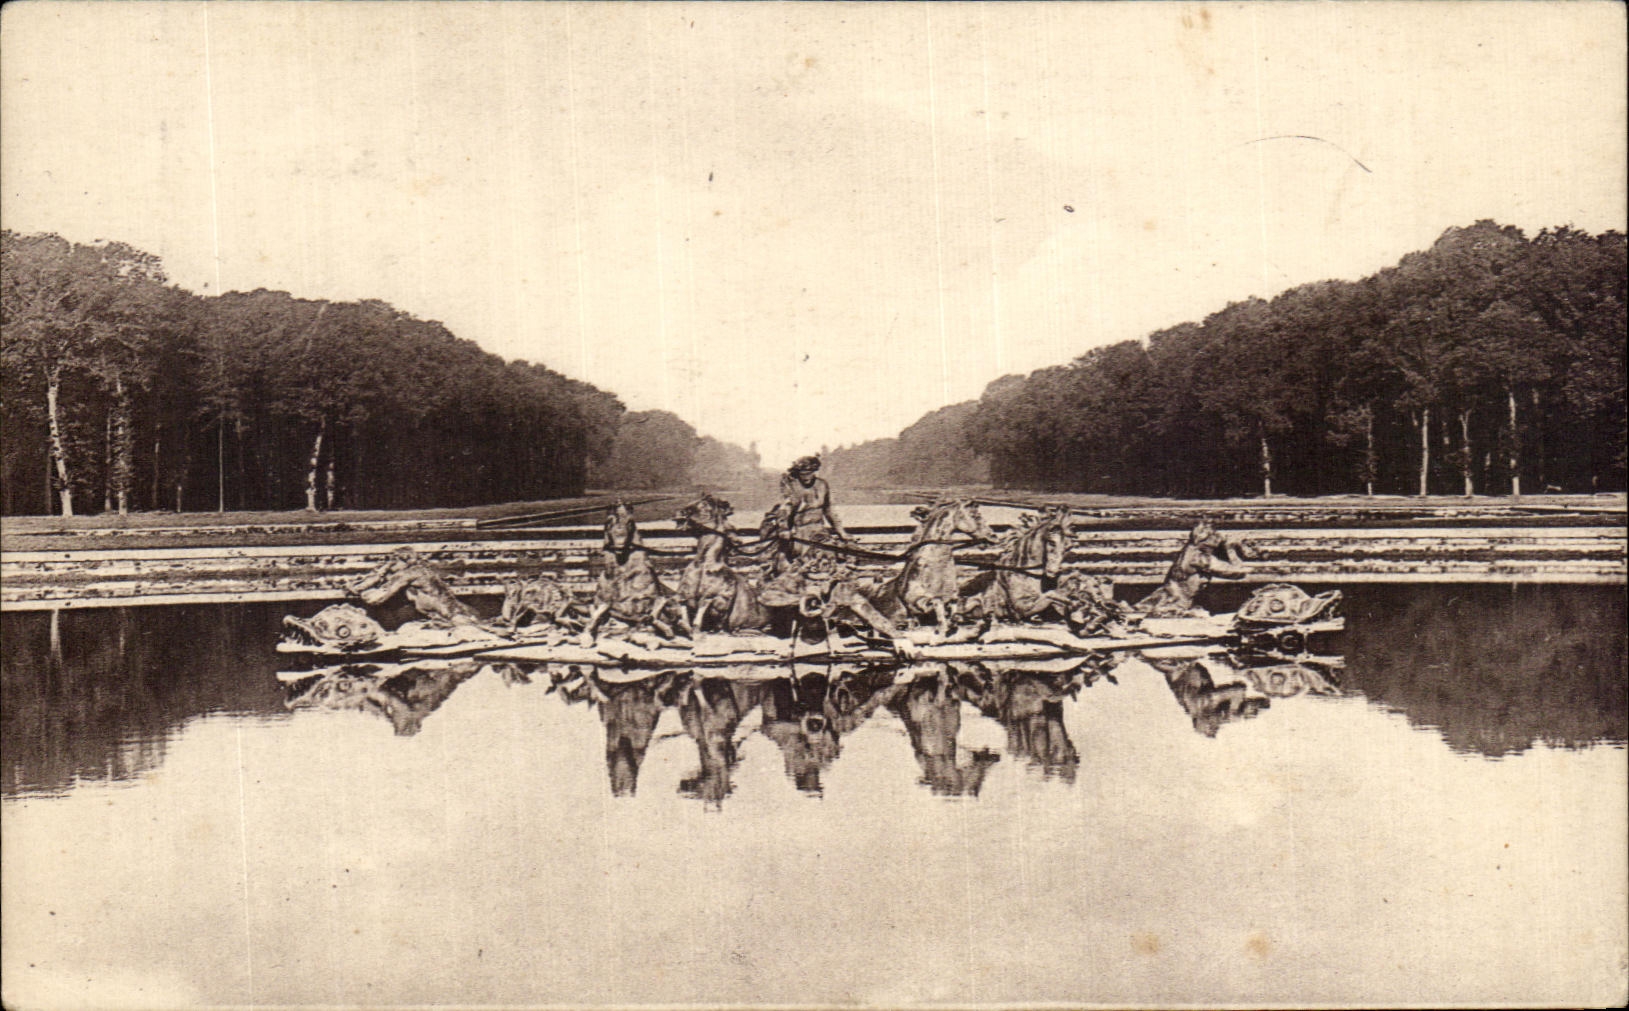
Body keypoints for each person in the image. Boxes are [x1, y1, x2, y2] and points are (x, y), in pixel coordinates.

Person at [776, 455, 849, 556]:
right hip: (800, 530)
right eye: (803, 474)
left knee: (830, 554)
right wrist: (784, 529)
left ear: (814, 471)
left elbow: (829, 511)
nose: (806, 477)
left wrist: (841, 532)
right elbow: (785, 510)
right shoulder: (792, 486)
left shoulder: (822, 485)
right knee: (802, 556)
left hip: (819, 529)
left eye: (809, 474)